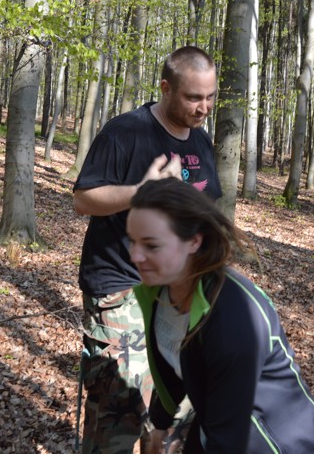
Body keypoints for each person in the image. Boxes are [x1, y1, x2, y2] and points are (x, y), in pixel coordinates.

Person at [73, 46, 222, 453]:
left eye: (210, 97)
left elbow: (207, 213)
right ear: (166, 88)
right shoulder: (126, 132)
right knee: (121, 408)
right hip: (120, 285)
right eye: (194, 97)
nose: (203, 107)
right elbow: (83, 198)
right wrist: (141, 192)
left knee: (170, 413)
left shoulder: (202, 144)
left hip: (177, 294)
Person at [128, 178, 314, 453]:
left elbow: (227, 441)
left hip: (275, 442)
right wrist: (160, 425)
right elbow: (172, 367)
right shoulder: (155, 289)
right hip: (219, 422)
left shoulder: (234, 319)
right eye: (132, 241)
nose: (135, 255)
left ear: (194, 241)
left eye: (151, 246)